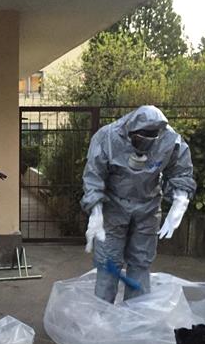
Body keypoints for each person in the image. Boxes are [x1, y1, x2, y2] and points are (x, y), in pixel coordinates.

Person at [81, 105, 196, 303]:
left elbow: (181, 170)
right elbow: (94, 174)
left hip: (148, 207)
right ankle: (103, 313)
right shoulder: (107, 137)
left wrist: (180, 200)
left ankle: (136, 313)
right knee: (108, 262)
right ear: (130, 131)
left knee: (141, 262)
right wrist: (96, 209)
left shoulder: (170, 140)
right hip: (113, 207)